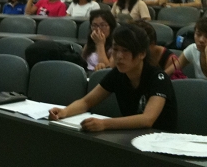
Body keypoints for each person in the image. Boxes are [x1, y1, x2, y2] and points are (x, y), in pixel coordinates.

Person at [49, 24, 177, 132]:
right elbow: (87, 102)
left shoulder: (158, 78)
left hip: (161, 140)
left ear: (142, 53)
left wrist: (104, 124)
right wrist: (64, 112)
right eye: (115, 49)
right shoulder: (118, 74)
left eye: (125, 50)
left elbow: (147, 119)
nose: (119, 56)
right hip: (131, 136)